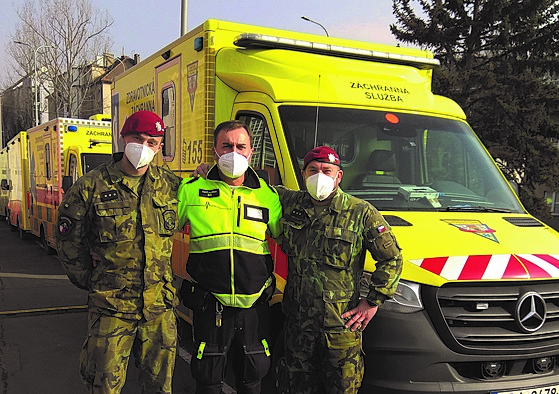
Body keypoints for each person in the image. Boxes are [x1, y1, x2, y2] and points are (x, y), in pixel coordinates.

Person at [55, 110, 182, 394]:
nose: (144, 147)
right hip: (111, 307)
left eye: (152, 141)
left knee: (160, 387)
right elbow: (67, 238)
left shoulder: (171, 186)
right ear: (124, 138)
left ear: (160, 147)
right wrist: (90, 279)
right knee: (105, 386)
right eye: (138, 139)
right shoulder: (92, 185)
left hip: (158, 309)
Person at [276, 146, 403, 394]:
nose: (319, 176)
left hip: (340, 332)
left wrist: (373, 301)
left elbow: (392, 258)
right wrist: (210, 171)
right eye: (313, 170)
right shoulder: (291, 203)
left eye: (327, 170)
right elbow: (250, 188)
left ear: (339, 176)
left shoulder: (361, 212)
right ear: (303, 174)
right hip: (298, 330)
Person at [177, 120, 282, 394]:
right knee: (208, 380)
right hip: (210, 304)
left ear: (251, 153)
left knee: (252, 378)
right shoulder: (191, 190)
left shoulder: (268, 196)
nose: (234, 152)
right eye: (227, 145)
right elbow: (159, 235)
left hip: (254, 306)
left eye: (240, 146)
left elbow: (288, 239)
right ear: (215, 151)